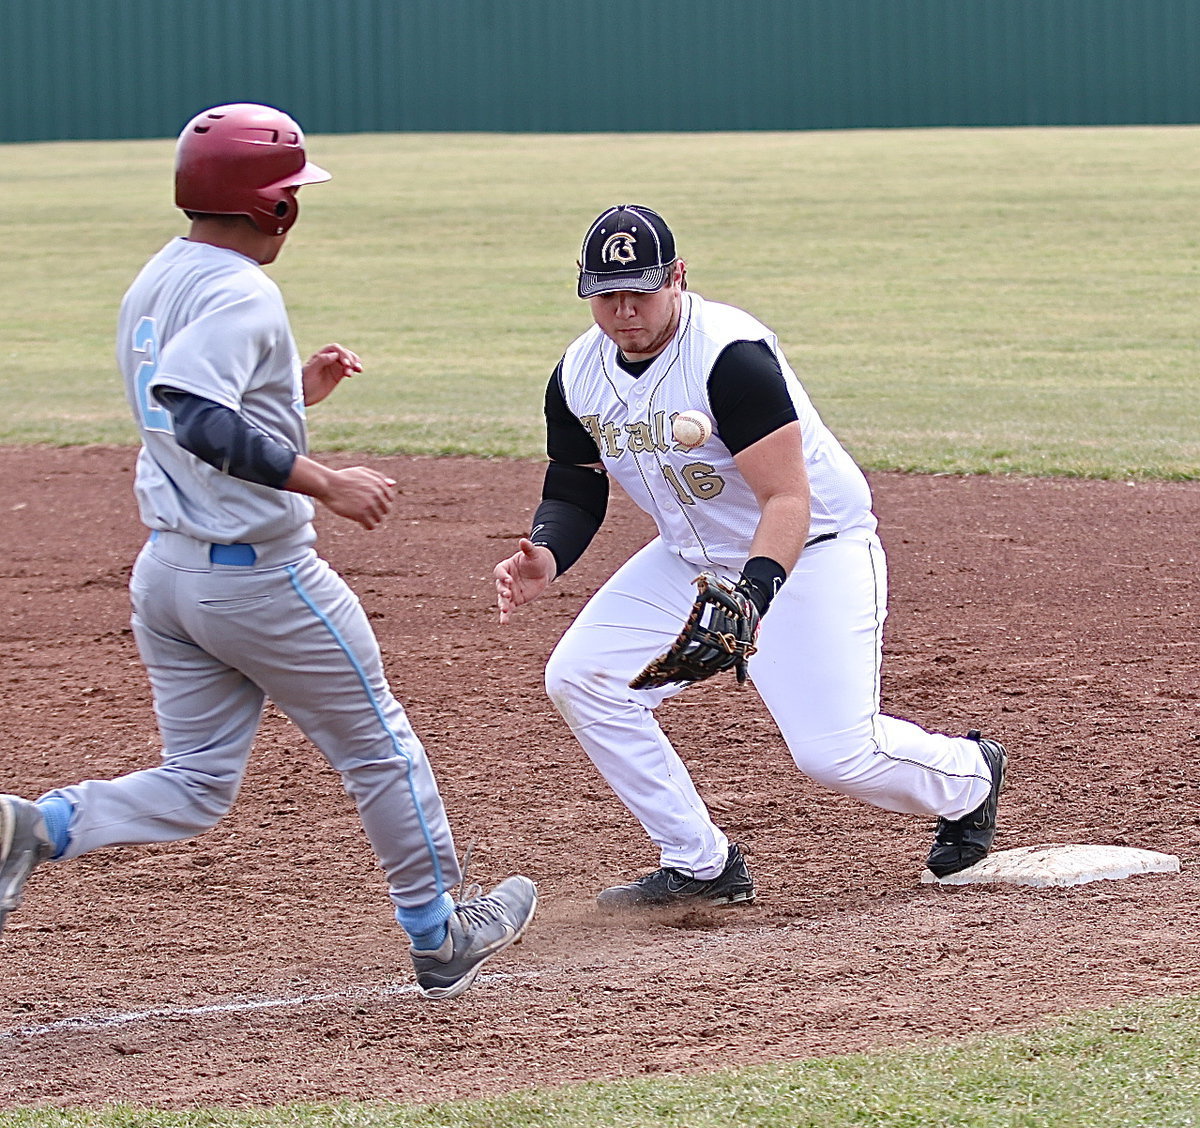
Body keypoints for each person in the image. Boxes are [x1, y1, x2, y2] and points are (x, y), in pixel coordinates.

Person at [0, 102, 535, 999]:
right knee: (380, 750)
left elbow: (188, 404)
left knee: (197, 781)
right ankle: (440, 931)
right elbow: (200, 417)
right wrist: (324, 480)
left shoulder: (158, 275)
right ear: (273, 206)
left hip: (167, 576)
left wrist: (291, 392)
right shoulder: (244, 291)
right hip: (263, 583)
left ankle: (37, 827)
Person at [494, 204, 1006, 910]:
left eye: (641, 290)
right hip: (693, 556)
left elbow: (787, 499)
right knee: (582, 678)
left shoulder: (728, 357)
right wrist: (547, 553)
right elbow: (575, 484)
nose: (624, 310)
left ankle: (969, 776)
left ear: (677, 276)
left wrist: (753, 597)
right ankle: (700, 863)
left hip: (813, 550)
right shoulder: (579, 374)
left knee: (835, 754)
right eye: (606, 295)